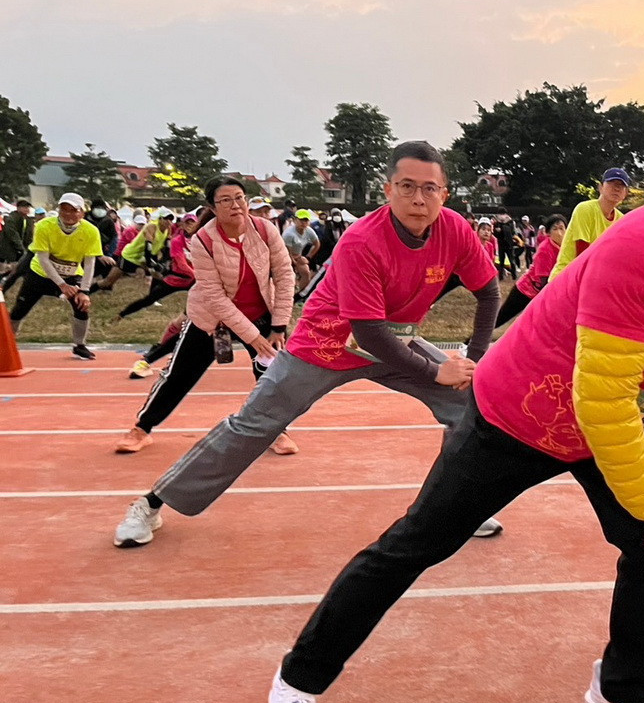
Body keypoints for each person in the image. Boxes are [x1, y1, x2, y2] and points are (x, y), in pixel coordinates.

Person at [257, 103, 644, 703]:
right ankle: (297, 680)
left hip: (606, 425)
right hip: (518, 410)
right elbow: (603, 396)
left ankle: (623, 692)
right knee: (415, 544)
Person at [113, 142, 504, 546]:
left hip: (397, 342)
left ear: (445, 194)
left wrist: (473, 361)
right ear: (388, 190)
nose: (418, 199)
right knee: (255, 425)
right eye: (406, 186)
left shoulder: (454, 228)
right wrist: (436, 370)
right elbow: (367, 332)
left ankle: (453, 508)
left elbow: (489, 293)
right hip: (327, 344)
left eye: (429, 188)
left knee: (470, 406)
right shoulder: (362, 240)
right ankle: (151, 504)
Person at [113, 180, 296, 455]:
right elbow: (214, 296)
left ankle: (275, 431)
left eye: (240, 198)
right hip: (213, 319)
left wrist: (279, 325)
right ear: (212, 207)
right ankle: (142, 428)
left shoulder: (265, 229)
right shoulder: (202, 240)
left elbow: (284, 275)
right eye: (226, 200)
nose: (236, 205)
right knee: (179, 374)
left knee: (273, 375)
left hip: (261, 314)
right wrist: (253, 337)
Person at [7, 193, 101, 360]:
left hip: (71, 274)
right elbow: (43, 259)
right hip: (40, 273)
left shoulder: (91, 231)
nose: (69, 215)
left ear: (82, 213)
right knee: (19, 309)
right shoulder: (44, 226)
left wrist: (85, 291)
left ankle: (79, 345)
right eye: (64, 210)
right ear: (58, 210)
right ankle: (7, 344)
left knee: (81, 306)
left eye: (74, 210)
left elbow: (89, 262)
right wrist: (61, 284)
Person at [112, 214, 200, 322]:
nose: (190, 225)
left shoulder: (199, 240)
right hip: (176, 279)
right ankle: (122, 314)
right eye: (187, 222)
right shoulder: (177, 241)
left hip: (192, 279)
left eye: (193, 223)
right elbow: (181, 264)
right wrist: (197, 275)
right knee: (149, 299)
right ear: (182, 224)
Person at [548, 167, 631, 280]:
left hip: (592, 280)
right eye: (612, 183)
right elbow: (582, 252)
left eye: (621, 185)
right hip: (566, 277)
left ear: (625, 193)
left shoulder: (621, 220)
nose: (616, 188)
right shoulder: (585, 209)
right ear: (600, 187)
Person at [493, 213, 566, 328]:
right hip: (525, 291)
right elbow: (544, 281)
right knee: (499, 320)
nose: (559, 233)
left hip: (541, 293)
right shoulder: (545, 249)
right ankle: (469, 343)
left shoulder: (566, 248)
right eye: (555, 229)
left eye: (562, 228)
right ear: (548, 233)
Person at [93, 208, 174, 291]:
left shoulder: (168, 229)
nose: (168, 222)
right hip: (130, 256)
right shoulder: (151, 227)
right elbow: (148, 247)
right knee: (108, 282)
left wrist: (164, 261)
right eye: (166, 219)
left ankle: (152, 298)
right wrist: (151, 264)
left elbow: (167, 247)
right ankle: (87, 292)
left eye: (171, 219)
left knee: (159, 276)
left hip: (144, 257)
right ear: (160, 219)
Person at [282, 209, 320, 291]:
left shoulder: (309, 231)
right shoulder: (288, 234)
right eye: (301, 220)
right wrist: (293, 261)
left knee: (306, 273)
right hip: (285, 255)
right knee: (288, 276)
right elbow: (286, 250)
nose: (303, 223)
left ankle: (300, 294)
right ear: (295, 220)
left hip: (298, 255)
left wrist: (308, 257)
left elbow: (317, 243)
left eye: (306, 220)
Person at [1, 199, 35, 284]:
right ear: (18, 208)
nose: (27, 209)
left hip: (22, 249)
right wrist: (22, 249)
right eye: (24, 207)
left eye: (28, 207)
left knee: (18, 269)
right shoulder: (11, 218)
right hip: (9, 249)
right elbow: (13, 235)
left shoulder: (28, 220)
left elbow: (29, 236)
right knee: (8, 269)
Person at [492, 207, 519, 280]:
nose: (501, 216)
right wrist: (497, 231)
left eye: (503, 214)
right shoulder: (496, 222)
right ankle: (501, 277)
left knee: (511, 260)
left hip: (509, 244)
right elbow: (494, 233)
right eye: (500, 214)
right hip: (501, 243)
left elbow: (512, 231)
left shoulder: (510, 221)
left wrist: (502, 228)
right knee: (501, 261)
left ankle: (514, 275)